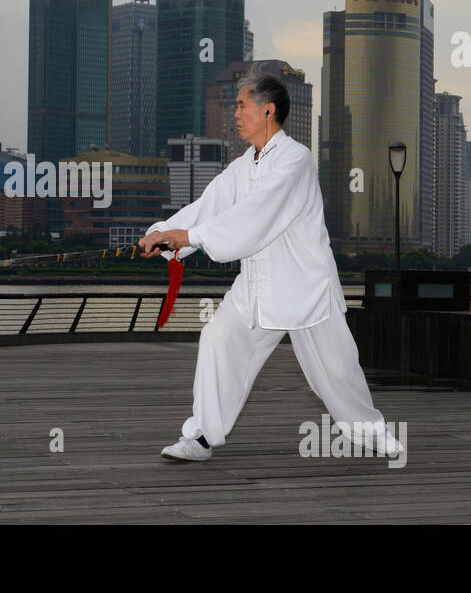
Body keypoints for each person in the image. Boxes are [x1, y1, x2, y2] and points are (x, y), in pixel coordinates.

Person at [138, 66, 402, 461]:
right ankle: (202, 436)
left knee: (337, 368)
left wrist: (189, 238)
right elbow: (208, 207)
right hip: (258, 285)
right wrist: (163, 233)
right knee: (219, 338)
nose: (236, 113)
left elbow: (256, 216)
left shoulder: (295, 160)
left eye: (242, 105)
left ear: (268, 110)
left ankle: (373, 431)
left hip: (305, 285)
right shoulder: (244, 166)